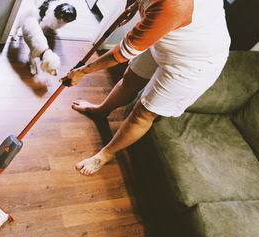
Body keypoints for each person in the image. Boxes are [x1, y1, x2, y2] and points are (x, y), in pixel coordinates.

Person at [60, 0, 231, 176]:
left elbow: (122, 53)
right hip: (169, 37)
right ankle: (101, 110)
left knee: (142, 114)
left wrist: (82, 72)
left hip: (195, 63)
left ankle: (106, 154)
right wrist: (133, 6)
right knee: (130, 80)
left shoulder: (174, 5)